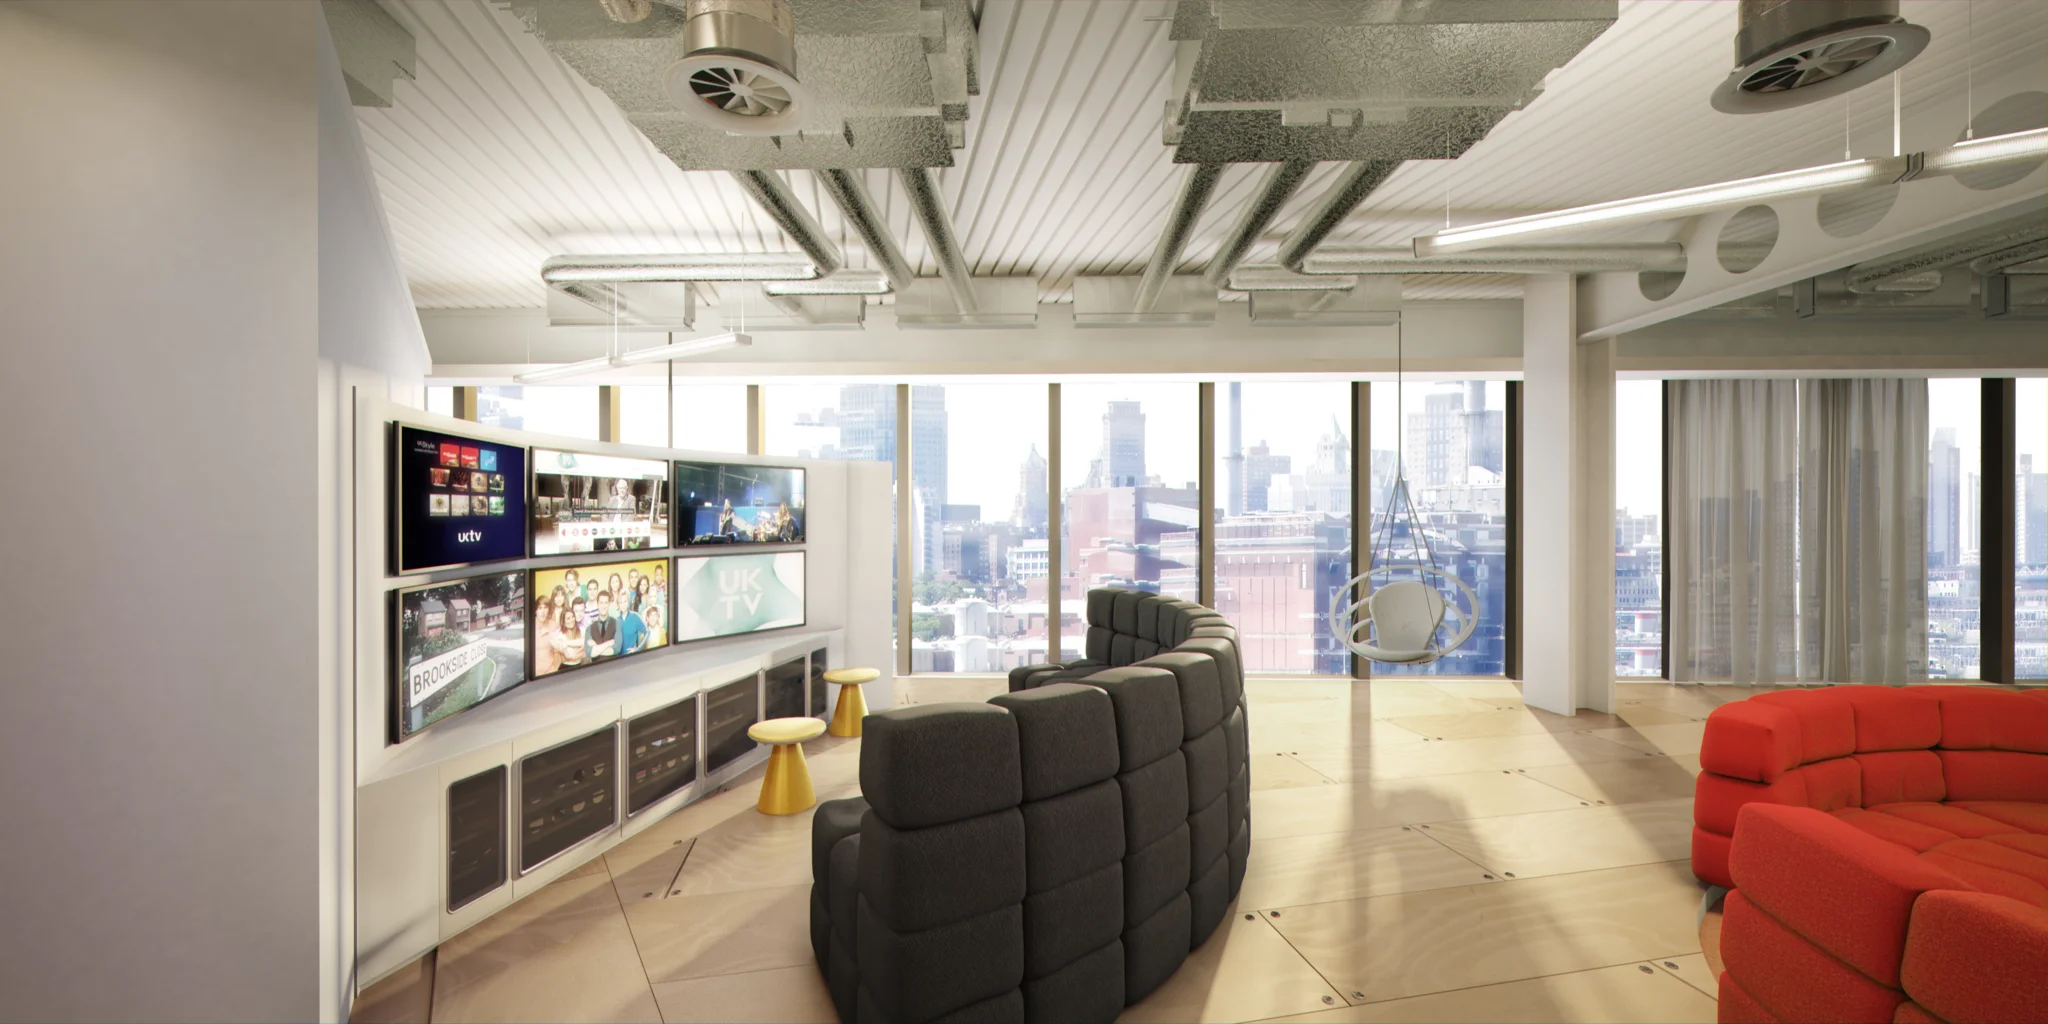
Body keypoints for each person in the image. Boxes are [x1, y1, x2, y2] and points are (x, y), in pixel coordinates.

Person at [585, 591, 620, 659]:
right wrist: (608, 644)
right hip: (596, 668)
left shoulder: (617, 623)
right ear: (597, 604)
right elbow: (589, 652)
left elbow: (616, 649)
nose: (603, 606)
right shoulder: (590, 628)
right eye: (601, 603)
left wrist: (596, 647)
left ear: (609, 604)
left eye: (606, 603)